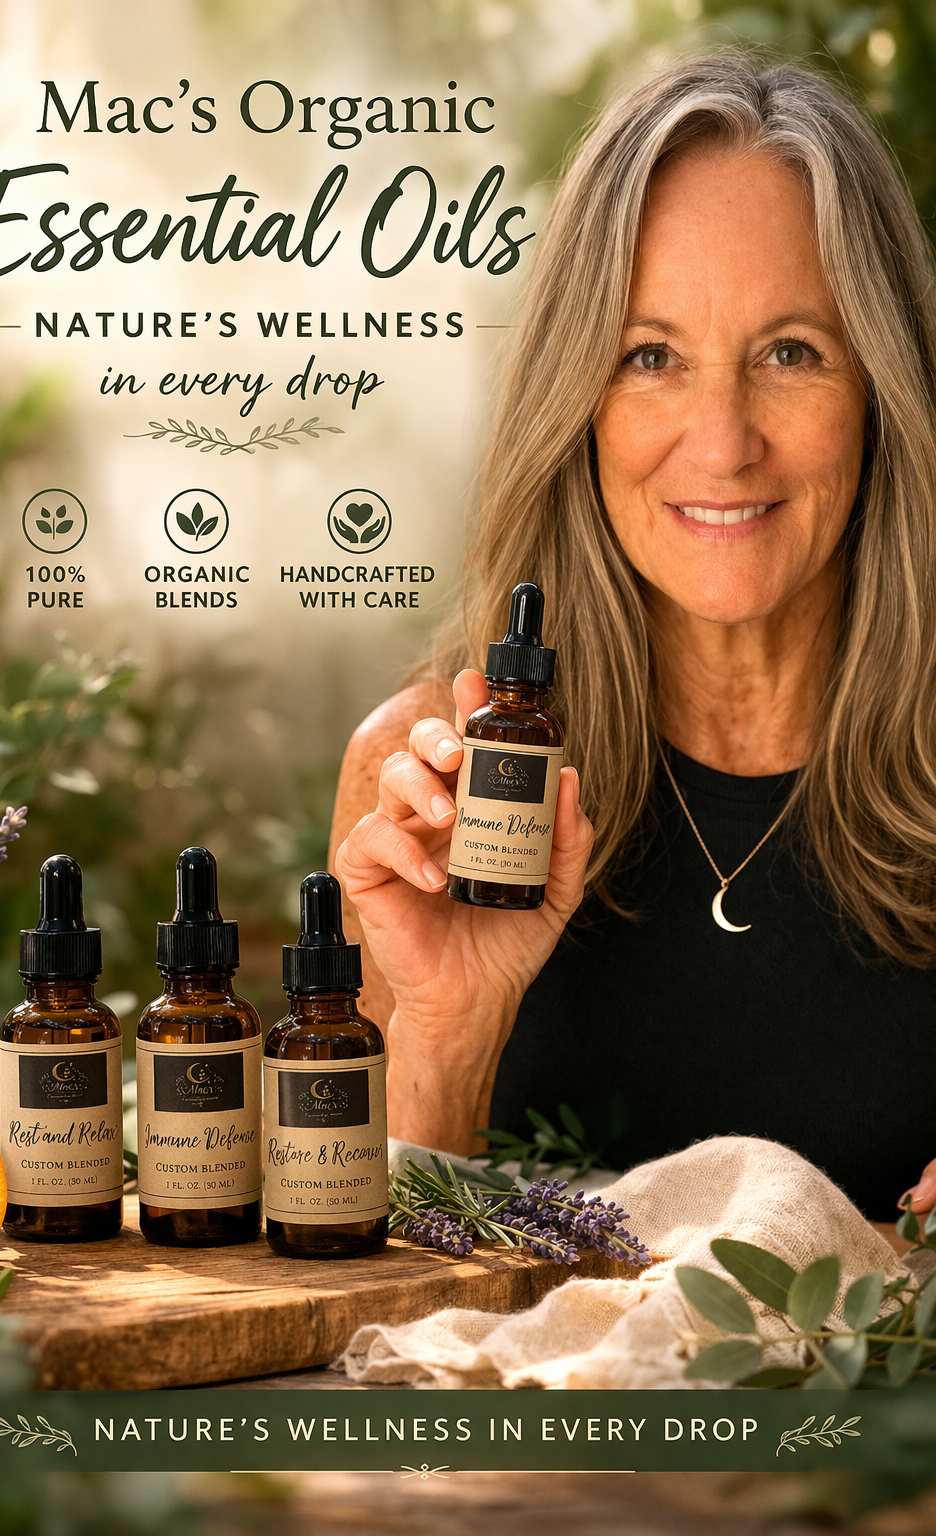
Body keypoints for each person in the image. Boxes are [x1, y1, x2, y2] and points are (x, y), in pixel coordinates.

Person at [330, 54, 936, 1222]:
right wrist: (446, 1039)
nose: (721, 444)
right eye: (649, 356)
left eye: (791, 352)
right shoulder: (429, 786)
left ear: (881, 386)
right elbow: (365, 1319)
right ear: (579, 397)